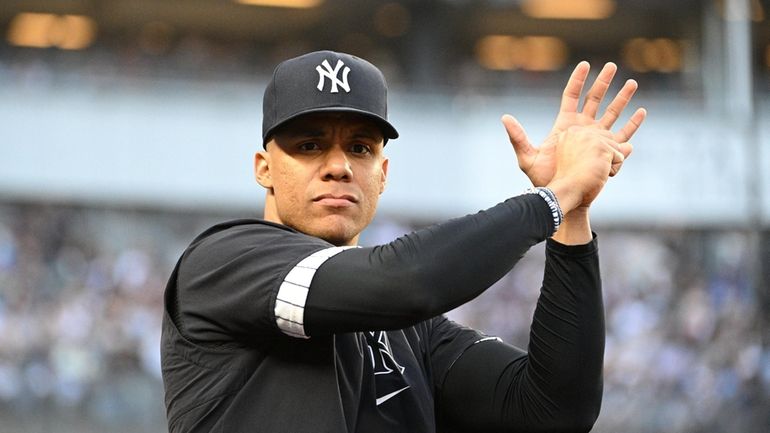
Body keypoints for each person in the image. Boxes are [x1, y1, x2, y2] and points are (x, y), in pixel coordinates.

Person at [160, 50, 646, 433]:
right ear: (263, 168)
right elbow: (406, 282)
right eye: (309, 145)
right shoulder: (223, 262)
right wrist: (552, 198)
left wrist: (573, 214)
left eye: (360, 148)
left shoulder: (415, 334)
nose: (339, 165)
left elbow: (556, 410)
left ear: (383, 174)